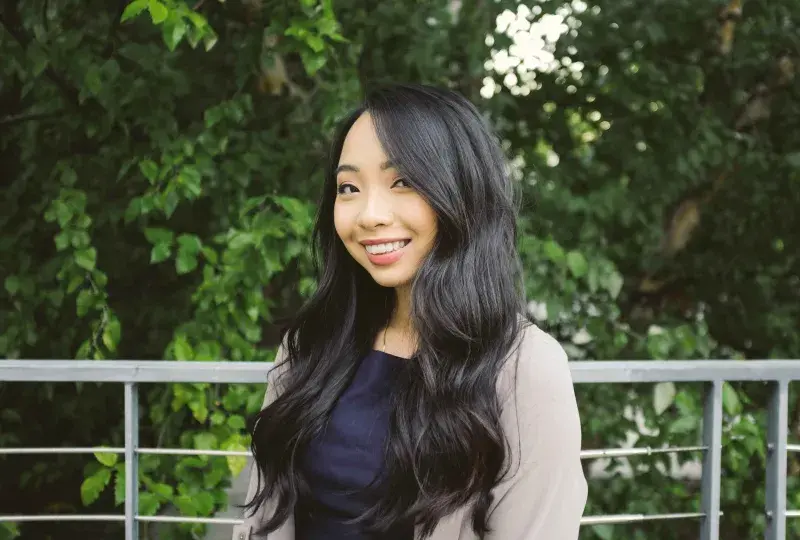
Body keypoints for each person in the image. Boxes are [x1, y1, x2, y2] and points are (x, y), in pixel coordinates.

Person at [231, 83, 587, 540]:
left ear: (462, 193)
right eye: (349, 187)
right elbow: (265, 520)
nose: (370, 215)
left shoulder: (524, 367)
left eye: (402, 181)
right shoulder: (311, 345)